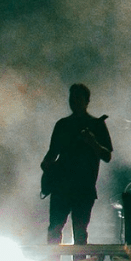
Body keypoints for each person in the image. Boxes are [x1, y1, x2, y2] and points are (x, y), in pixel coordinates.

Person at [41, 83, 113, 246]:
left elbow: (107, 156)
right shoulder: (62, 125)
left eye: (78, 98)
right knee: (54, 230)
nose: (73, 102)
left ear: (87, 101)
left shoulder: (97, 125)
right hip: (61, 187)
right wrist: (47, 168)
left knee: (80, 233)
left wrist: (92, 142)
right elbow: (52, 154)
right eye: (72, 98)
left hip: (84, 188)